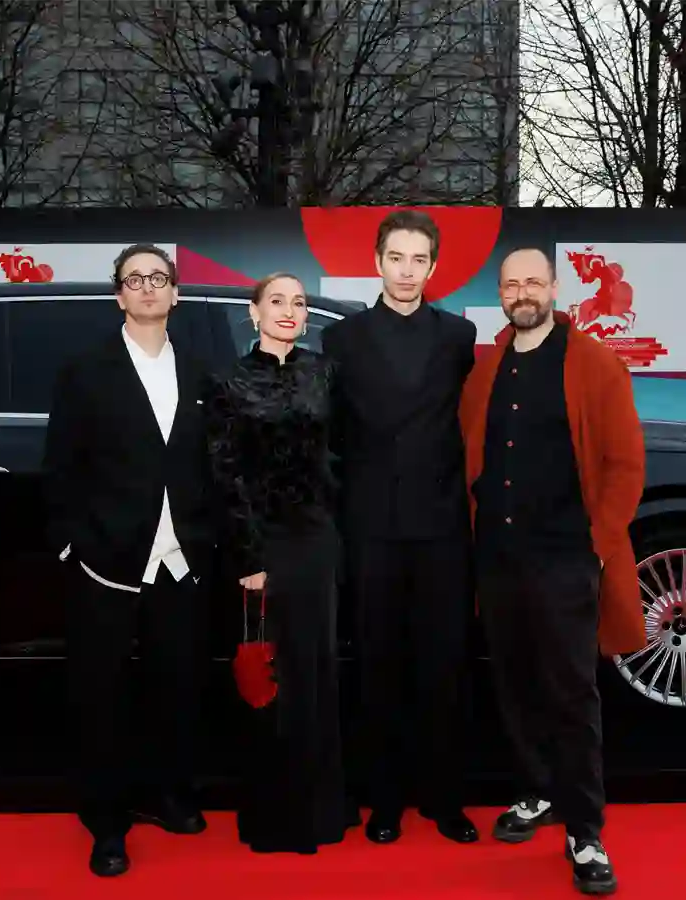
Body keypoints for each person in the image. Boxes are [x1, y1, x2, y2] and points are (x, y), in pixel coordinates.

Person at [459, 246, 647, 895]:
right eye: (511, 284)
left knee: (571, 694)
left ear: (554, 287)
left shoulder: (593, 362)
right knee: (515, 685)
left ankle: (585, 830)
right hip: (498, 559)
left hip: (566, 558)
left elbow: (626, 464)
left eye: (533, 282)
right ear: (501, 294)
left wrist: (598, 545)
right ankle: (537, 790)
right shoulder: (487, 369)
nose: (522, 293)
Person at [42, 244, 215, 878]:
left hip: (181, 562)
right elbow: (61, 465)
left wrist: (209, 538)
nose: (147, 287)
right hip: (107, 562)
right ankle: (106, 822)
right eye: (134, 279)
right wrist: (73, 545)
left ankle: (170, 795)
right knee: (102, 699)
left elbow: (211, 465)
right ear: (119, 295)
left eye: (158, 278)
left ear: (175, 293)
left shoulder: (200, 371)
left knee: (178, 687)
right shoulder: (85, 371)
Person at [319, 210, 479, 844]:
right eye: (396, 258)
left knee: (444, 665)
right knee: (377, 666)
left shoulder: (460, 337)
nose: (407, 271)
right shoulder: (342, 340)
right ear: (377, 262)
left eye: (419, 260)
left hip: (442, 526)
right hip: (370, 528)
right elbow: (332, 438)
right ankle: (383, 800)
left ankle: (445, 798)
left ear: (433, 267)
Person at [204, 272, 349, 854]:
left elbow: (338, 456)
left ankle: (322, 810)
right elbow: (225, 473)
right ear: (254, 311)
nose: (290, 310)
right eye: (277, 301)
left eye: (299, 302)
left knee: (318, 668)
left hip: (318, 540)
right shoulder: (228, 380)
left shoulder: (323, 373)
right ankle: (275, 816)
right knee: (270, 673)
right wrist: (249, 554)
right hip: (263, 546)